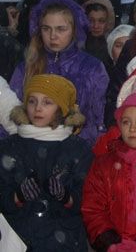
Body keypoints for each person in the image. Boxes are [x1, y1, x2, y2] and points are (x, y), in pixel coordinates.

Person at [0, 74, 93, 251]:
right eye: (32, 101)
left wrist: (67, 198)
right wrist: (16, 197)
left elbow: (89, 200)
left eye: (47, 102)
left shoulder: (78, 149)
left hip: (65, 242)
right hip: (18, 240)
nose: (37, 108)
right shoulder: (9, 147)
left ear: (61, 108)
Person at [9, 0, 109, 145]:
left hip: (76, 151)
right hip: (30, 148)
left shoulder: (92, 68)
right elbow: (12, 116)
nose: (53, 36)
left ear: (74, 30)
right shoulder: (26, 68)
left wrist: (77, 151)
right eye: (46, 28)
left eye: (61, 29)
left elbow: (97, 121)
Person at [82, 92, 136, 252]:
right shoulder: (104, 164)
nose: (132, 128)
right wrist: (110, 242)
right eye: (126, 122)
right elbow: (93, 208)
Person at [84, 0, 116, 68]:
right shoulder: (79, 44)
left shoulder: (114, 43)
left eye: (101, 21)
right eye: (91, 21)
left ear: (108, 21)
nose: (96, 26)